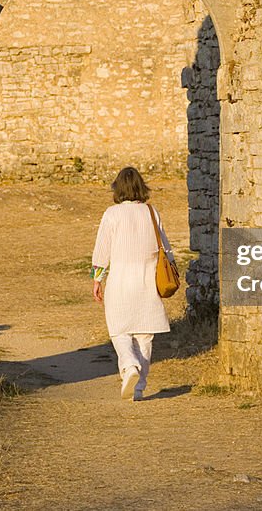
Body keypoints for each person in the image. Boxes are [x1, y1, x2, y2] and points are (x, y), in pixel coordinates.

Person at [91, 166, 173, 401]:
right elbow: (166, 248)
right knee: (145, 338)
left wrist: (97, 279)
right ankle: (138, 389)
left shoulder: (112, 214)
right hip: (147, 283)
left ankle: (129, 367)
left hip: (120, 283)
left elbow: (102, 250)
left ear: (117, 188)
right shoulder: (151, 212)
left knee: (119, 331)